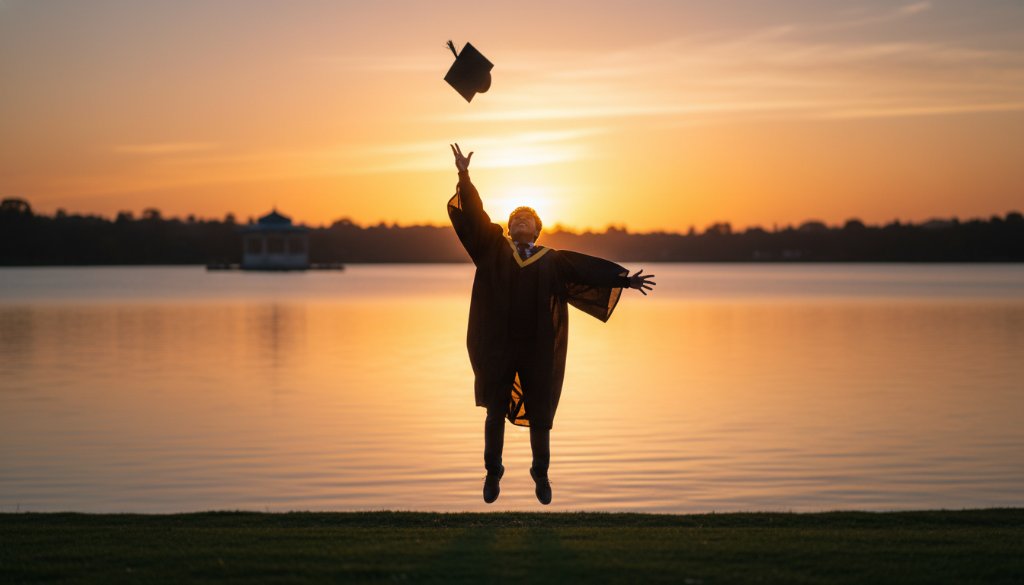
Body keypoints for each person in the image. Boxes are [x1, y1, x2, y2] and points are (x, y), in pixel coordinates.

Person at [447, 143, 656, 505]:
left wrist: (624, 280)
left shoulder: (552, 260)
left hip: (537, 347)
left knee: (541, 413)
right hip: (498, 345)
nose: (519, 222)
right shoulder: (493, 249)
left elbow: (588, 270)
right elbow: (476, 217)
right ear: (509, 227)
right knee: (495, 408)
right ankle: (492, 470)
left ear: (538, 229)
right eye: (515, 219)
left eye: (527, 219)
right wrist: (464, 176)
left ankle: (540, 472)